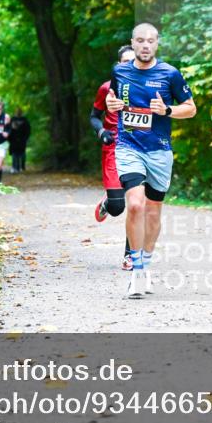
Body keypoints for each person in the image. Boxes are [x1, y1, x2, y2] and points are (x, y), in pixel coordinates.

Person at [105, 23, 196, 298]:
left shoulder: (170, 74)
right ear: (132, 43)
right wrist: (112, 105)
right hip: (128, 147)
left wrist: (167, 109)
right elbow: (112, 99)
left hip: (159, 150)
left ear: (157, 44)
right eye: (141, 41)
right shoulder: (120, 71)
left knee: (153, 212)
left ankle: (146, 263)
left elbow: (191, 109)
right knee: (135, 205)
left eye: (151, 41)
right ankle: (136, 271)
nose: (146, 45)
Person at [91, 45, 137, 269]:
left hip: (139, 150)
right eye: (125, 62)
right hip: (113, 150)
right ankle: (108, 203)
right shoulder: (106, 89)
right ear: (119, 65)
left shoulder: (145, 88)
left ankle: (130, 255)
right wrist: (101, 132)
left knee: (137, 203)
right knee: (118, 208)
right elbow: (94, 116)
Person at [9, 108, 31, 173]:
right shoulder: (12, 119)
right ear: (15, 112)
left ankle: (22, 167)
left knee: (22, 154)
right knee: (14, 154)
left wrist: (26, 138)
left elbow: (28, 130)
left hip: (22, 140)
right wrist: (9, 138)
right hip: (13, 140)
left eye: (19, 111)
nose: (18, 112)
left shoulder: (25, 120)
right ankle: (15, 167)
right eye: (17, 111)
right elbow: (8, 129)